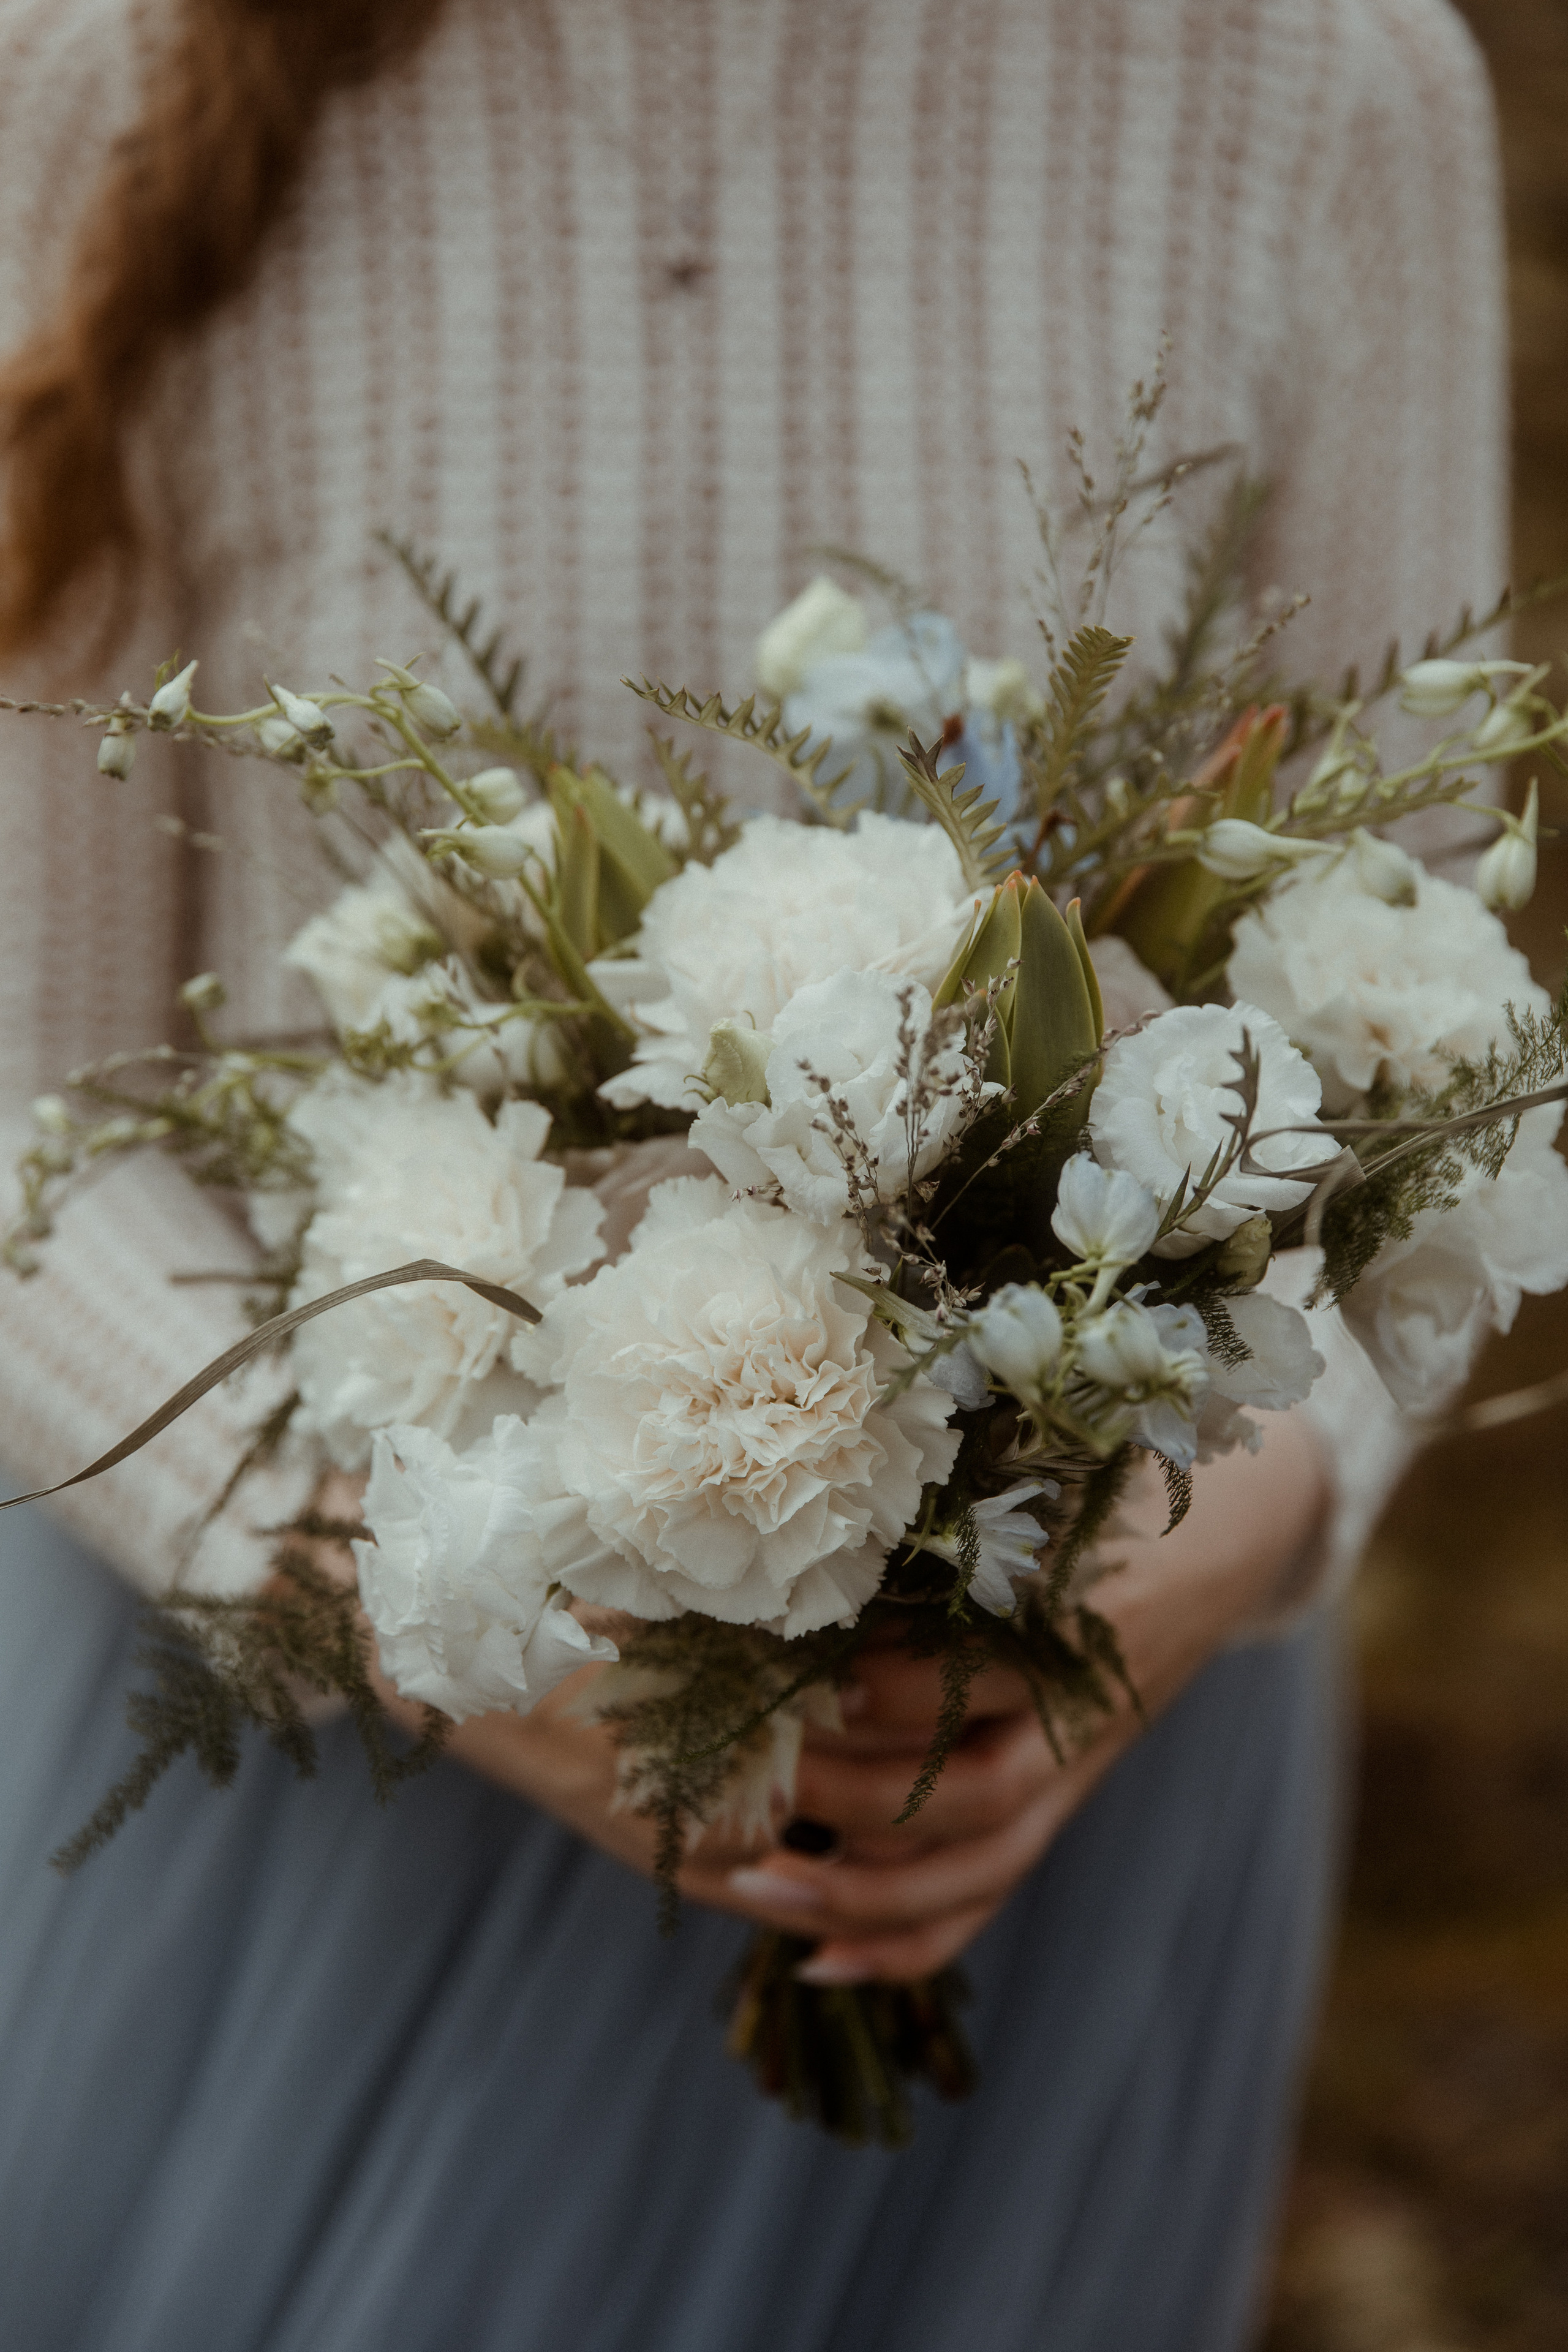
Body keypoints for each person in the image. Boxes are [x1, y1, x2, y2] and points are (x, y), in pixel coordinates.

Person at [0, 2, 1505, 2346]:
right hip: (322, 1795)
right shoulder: (94, 72)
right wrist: (409, 1609)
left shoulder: (1317, 84)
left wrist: (1220, 1540)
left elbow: (1433, 1029)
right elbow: (33, 1085)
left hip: (1047, 1779)